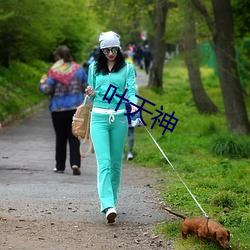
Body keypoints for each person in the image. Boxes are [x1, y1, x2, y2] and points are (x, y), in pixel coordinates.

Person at [85, 31, 138, 223]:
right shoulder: (93, 68)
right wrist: (90, 92)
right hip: (98, 118)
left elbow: (131, 91)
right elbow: (91, 97)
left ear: (119, 48)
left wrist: (133, 105)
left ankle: (112, 201)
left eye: (114, 49)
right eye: (106, 50)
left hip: (120, 119)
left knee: (116, 164)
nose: (110, 53)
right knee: (104, 162)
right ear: (101, 50)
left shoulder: (127, 68)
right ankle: (107, 205)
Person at [39, 45, 88, 175]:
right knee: (74, 137)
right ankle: (75, 163)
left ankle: (60, 166)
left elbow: (47, 90)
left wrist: (42, 83)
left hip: (58, 109)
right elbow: (86, 87)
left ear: (58, 57)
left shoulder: (54, 71)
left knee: (60, 138)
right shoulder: (79, 70)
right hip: (75, 109)